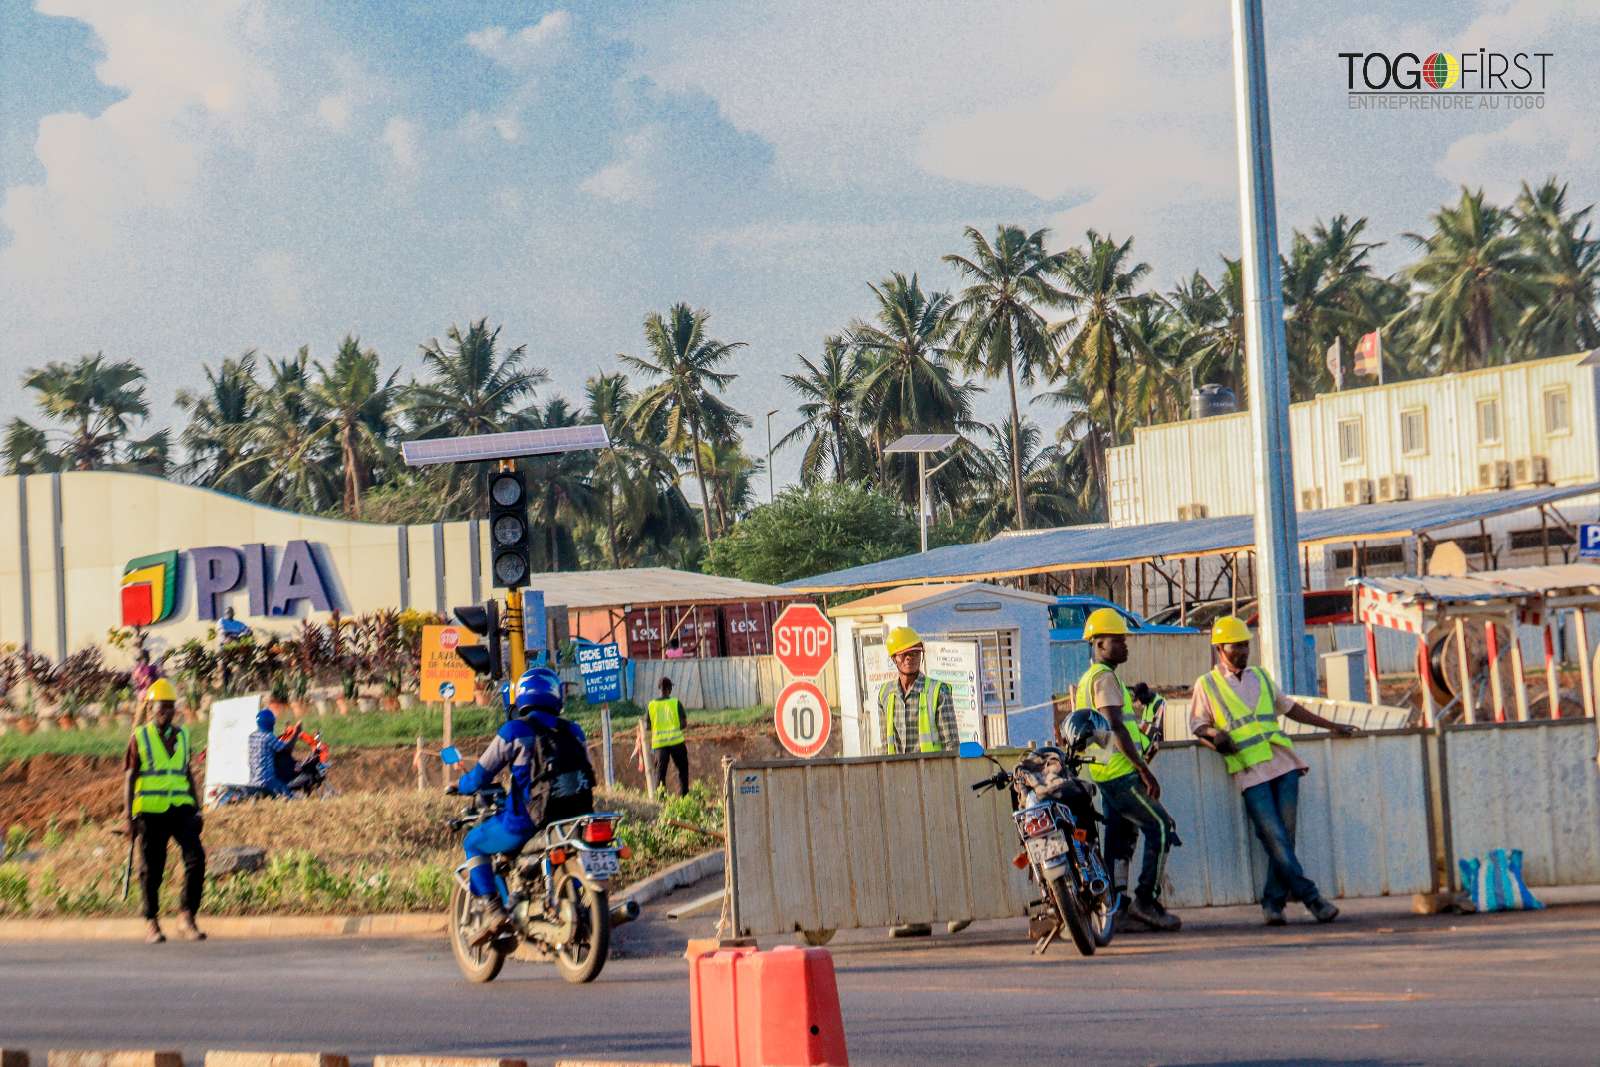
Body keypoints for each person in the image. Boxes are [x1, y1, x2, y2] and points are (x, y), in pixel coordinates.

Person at [1191, 616, 1357, 926]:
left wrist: (1333, 726)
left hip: (1283, 762)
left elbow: (1290, 708)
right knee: (1274, 835)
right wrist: (1216, 737)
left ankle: (1273, 901)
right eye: (1236, 646)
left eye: (1245, 645)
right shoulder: (1207, 684)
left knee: (1284, 836)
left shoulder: (1261, 677)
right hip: (1249, 769)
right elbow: (1198, 726)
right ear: (1219, 649)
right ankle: (1312, 898)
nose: (1243, 651)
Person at [453, 668, 592, 946]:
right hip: (575, 815)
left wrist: (462, 785)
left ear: (522, 696)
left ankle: (494, 912)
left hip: (527, 821)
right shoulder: (573, 731)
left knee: (474, 843)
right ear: (555, 695)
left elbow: (482, 774)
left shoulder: (514, 731)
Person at [1072, 607, 1182, 933]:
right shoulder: (1104, 678)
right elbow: (1116, 727)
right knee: (1161, 826)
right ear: (1098, 644)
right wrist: (1143, 770)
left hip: (1106, 774)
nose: (1125, 645)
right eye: (1118, 640)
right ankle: (1146, 902)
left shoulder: (1092, 679)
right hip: (1121, 774)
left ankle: (1116, 907)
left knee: (1119, 843)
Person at [123, 678, 206, 944]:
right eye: (161, 707)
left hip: (181, 810)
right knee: (152, 869)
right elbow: (129, 776)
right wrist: (128, 818)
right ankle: (151, 922)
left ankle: (186, 916)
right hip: (151, 812)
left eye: (170, 707)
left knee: (196, 858)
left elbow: (187, 773)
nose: (166, 712)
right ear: (150, 709)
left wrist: (196, 808)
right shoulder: (139, 736)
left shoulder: (182, 735)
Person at [876, 626, 956, 755]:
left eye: (915, 653)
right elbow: (886, 746)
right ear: (893, 658)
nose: (909, 658)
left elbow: (951, 744)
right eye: (903, 654)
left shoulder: (938, 691)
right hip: (897, 772)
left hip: (931, 772)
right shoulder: (885, 693)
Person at [648, 677, 690, 796]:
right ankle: (684, 796)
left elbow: (647, 725)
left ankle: (661, 800)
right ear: (670, 689)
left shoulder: (651, 705)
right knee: (683, 770)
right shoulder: (675, 703)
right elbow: (684, 723)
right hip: (676, 742)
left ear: (659, 689)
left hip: (659, 744)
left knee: (660, 773)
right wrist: (674, 727)